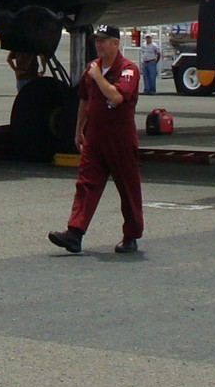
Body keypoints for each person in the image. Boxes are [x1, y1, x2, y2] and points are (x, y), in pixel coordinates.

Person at [49, 26, 144, 255]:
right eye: (97, 41)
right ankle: (75, 233)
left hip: (119, 138)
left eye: (103, 40)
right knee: (86, 183)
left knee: (127, 187)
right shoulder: (92, 69)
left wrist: (98, 76)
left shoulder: (128, 69)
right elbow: (84, 99)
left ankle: (131, 235)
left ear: (115, 43)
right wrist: (79, 129)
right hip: (95, 137)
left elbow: (117, 96)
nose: (99, 44)